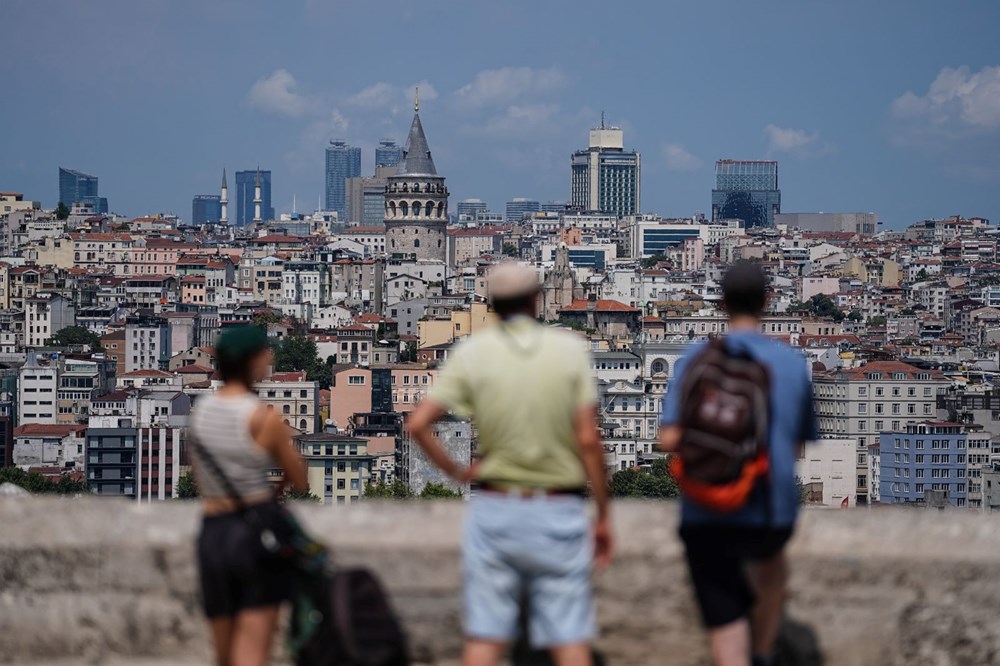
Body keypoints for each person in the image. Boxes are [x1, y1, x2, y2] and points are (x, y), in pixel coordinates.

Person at [406, 262, 612, 666]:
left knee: (486, 637)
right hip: (558, 506)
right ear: (538, 299)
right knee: (569, 638)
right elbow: (588, 438)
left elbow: (418, 424)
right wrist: (603, 513)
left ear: (493, 304)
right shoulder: (568, 350)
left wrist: (456, 471)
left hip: (496, 505)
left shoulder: (473, 353)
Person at [659, 262, 818, 666]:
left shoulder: (697, 357)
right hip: (768, 505)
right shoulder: (791, 363)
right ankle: (763, 652)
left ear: (722, 303)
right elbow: (799, 446)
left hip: (706, 506)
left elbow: (669, 438)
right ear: (767, 301)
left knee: (725, 617)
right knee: (771, 569)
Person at [190, 326, 310, 666]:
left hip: (212, 533)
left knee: (223, 654)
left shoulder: (199, 414)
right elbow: (300, 478)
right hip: (252, 535)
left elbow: (203, 479)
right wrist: (279, 485)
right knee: (253, 654)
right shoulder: (261, 417)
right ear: (251, 362)